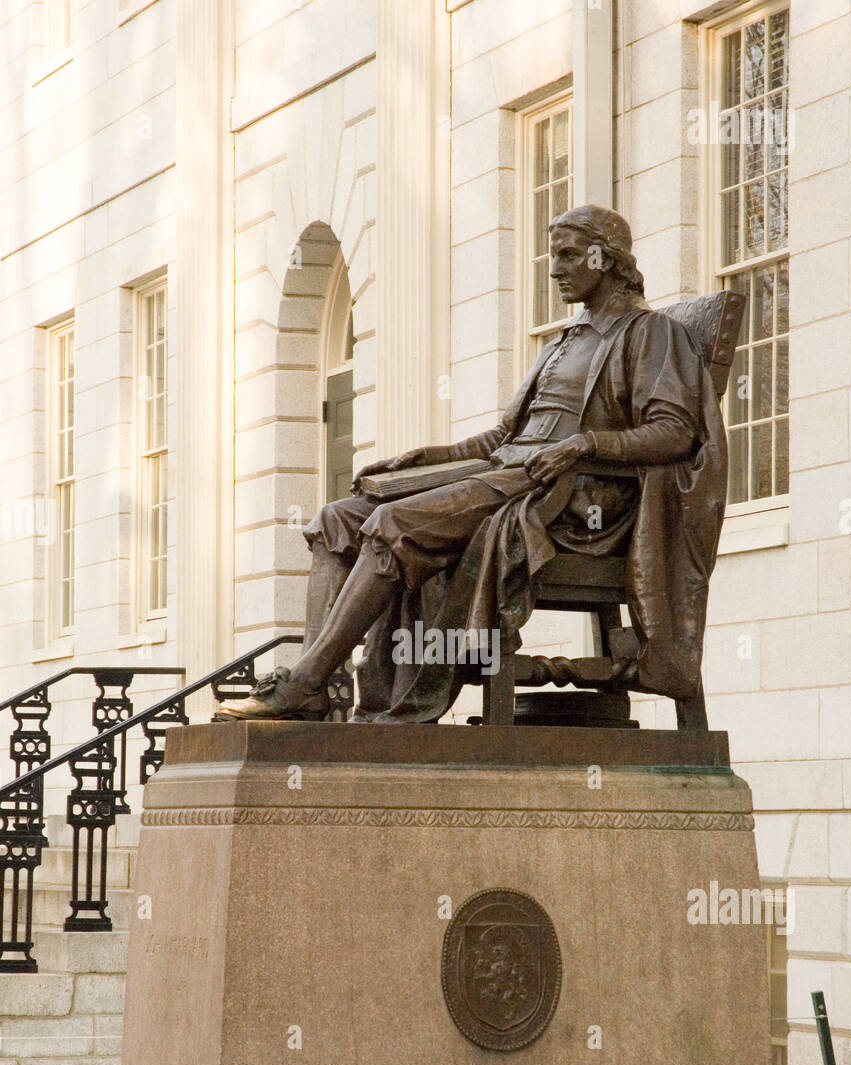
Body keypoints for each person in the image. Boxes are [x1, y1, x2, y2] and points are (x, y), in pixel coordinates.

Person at [214, 205, 727, 724]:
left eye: (569, 255)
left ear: (608, 259)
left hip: (570, 502)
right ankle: (317, 687)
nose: (555, 269)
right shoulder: (564, 342)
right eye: (555, 256)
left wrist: (583, 446)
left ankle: (304, 682)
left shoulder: (651, 333)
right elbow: (506, 437)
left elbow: (675, 432)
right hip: (511, 473)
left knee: (391, 525)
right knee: (336, 520)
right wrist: (432, 456)